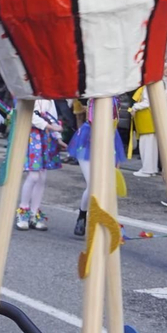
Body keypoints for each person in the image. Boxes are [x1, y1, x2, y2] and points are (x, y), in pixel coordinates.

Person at [68, 97, 125, 237]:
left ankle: (103, 221)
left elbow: (114, 125)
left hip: (110, 140)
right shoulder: (96, 95)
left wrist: (115, 155)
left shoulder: (117, 100)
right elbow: (95, 122)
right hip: (88, 140)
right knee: (93, 184)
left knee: (106, 186)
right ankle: (82, 216)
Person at [18, 98, 64, 231]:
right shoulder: (27, 92)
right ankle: (23, 211)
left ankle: (34, 214)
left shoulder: (49, 97)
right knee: (33, 176)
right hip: (30, 135)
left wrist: (58, 138)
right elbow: (29, 116)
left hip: (44, 137)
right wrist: (50, 127)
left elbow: (52, 117)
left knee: (42, 177)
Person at [129, 85, 159, 177]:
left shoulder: (147, 87)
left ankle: (147, 169)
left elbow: (147, 102)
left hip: (146, 119)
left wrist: (135, 106)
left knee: (146, 145)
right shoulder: (152, 86)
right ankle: (152, 169)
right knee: (151, 146)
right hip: (150, 120)